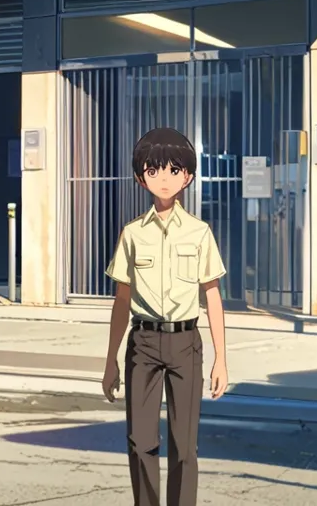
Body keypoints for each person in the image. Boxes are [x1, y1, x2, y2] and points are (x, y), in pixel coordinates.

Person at [100, 127, 231, 506]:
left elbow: (212, 296)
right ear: (141, 176)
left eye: (174, 170)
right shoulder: (132, 234)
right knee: (140, 442)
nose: (164, 178)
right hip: (142, 342)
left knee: (183, 444)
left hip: (186, 342)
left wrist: (222, 357)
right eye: (154, 170)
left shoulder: (199, 233)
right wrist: (110, 360)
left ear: (187, 176)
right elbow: (121, 301)